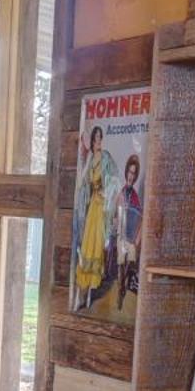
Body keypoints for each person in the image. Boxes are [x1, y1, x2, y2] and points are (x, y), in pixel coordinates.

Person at [72, 125, 113, 309]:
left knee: (97, 244)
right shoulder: (90, 158)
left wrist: (107, 192)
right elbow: (82, 182)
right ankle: (83, 291)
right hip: (91, 207)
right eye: (94, 138)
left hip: (101, 207)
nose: (97, 141)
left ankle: (90, 294)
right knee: (87, 244)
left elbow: (115, 179)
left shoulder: (106, 158)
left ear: (101, 140)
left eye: (99, 138)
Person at [113, 154, 142, 298]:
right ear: (126, 173)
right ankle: (120, 286)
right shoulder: (121, 193)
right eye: (130, 172)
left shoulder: (136, 197)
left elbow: (139, 218)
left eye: (134, 173)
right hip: (120, 234)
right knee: (120, 259)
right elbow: (115, 215)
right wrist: (116, 219)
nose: (131, 175)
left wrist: (137, 238)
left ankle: (125, 282)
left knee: (131, 257)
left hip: (130, 237)